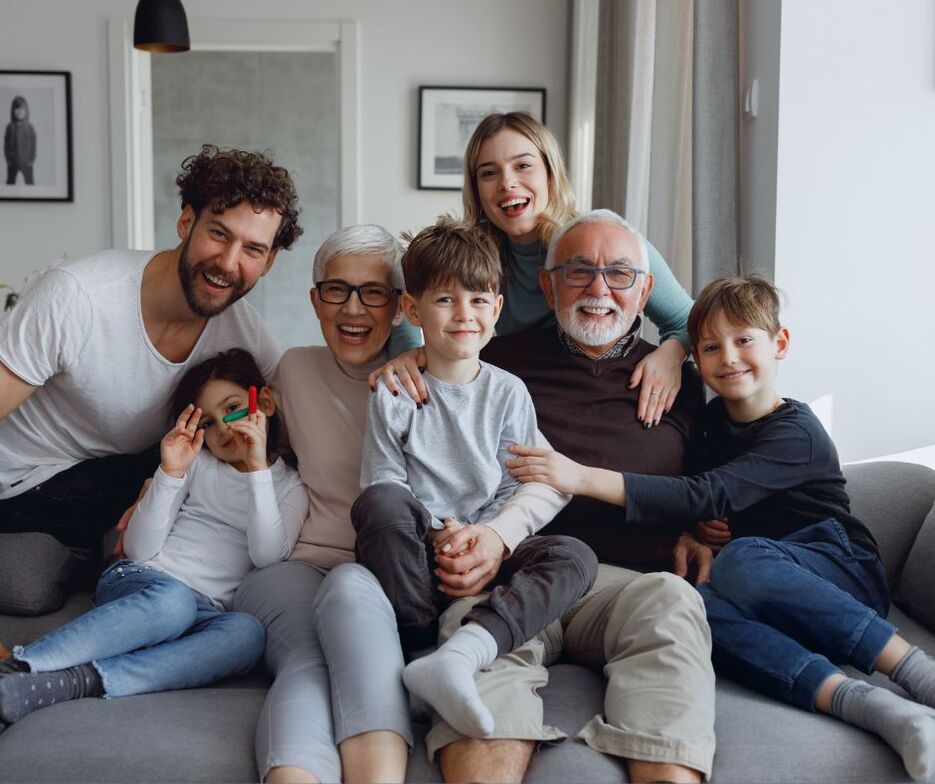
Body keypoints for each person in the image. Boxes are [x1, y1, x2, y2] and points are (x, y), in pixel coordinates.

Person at [511, 273, 935, 783]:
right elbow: (694, 493)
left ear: (779, 344)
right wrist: (690, 534)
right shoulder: (710, 425)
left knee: (742, 559)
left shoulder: (795, 432)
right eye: (711, 347)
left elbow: (708, 492)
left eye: (744, 341)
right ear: (697, 359)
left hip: (836, 570)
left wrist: (580, 476)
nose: (729, 357)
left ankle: (917, 673)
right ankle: (872, 708)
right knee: (692, 603)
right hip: (758, 595)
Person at [421, 209, 714, 784]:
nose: (599, 289)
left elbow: (712, 478)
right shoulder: (492, 361)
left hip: (628, 585)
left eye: (620, 274)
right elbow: (433, 451)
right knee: (475, 642)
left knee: (675, 604)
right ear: (548, 283)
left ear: (646, 289)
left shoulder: (682, 379)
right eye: (578, 272)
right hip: (513, 570)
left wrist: (701, 530)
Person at [0, 144, 301, 598]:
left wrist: (408, 362)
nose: (228, 263)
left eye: (253, 249)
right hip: (25, 480)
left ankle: (73, 557)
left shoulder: (243, 333)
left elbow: (299, 421)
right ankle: (67, 557)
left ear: (270, 260)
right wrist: (159, 480)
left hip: (110, 474)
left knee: (213, 449)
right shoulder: (79, 296)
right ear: (186, 222)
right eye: (219, 234)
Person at [350, 216, 597, 740]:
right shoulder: (394, 391)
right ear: (413, 310)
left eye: (479, 300)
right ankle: (420, 652)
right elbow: (385, 485)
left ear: (497, 309)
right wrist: (441, 532)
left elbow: (525, 481)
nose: (465, 314)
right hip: (417, 559)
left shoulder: (508, 393)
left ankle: (465, 651)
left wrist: (490, 538)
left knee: (576, 555)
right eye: (445, 301)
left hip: (490, 555)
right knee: (380, 505)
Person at [0, 349, 307, 730]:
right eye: (208, 423)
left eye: (232, 409)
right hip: (142, 580)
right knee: (172, 602)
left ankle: (71, 683)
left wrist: (258, 470)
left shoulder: (290, 486)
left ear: (263, 402)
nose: (224, 429)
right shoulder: (197, 464)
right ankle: (20, 665)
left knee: (246, 634)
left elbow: (266, 557)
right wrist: (170, 473)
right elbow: (138, 549)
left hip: (205, 608)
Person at [231, 224, 415, 784]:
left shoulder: (426, 382)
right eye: (336, 290)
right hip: (296, 565)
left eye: (373, 291)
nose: (352, 308)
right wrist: (156, 484)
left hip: (385, 576)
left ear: (400, 306)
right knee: (308, 657)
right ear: (315, 300)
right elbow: (231, 422)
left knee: (350, 605)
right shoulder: (293, 369)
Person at [377, 112, 693, 428]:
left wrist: (671, 354)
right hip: (526, 398)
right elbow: (409, 292)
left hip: (604, 393)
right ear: (476, 189)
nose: (507, 183)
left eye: (523, 165)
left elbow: (688, 320)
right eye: (489, 173)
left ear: (550, 174)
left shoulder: (603, 242)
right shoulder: (476, 256)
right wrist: (409, 353)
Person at [4, 96, 36, 186]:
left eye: (22, 109)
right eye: (17, 108)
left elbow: (33, 145)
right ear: (13, 110)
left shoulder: (30, 128)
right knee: (10, 182)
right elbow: (6, 145)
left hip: (27, 162)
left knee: (30, 183)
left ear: (26, 111)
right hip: (13, 162)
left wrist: (31, 159)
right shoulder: (10, 127)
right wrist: (8, 159)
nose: (19, 111)